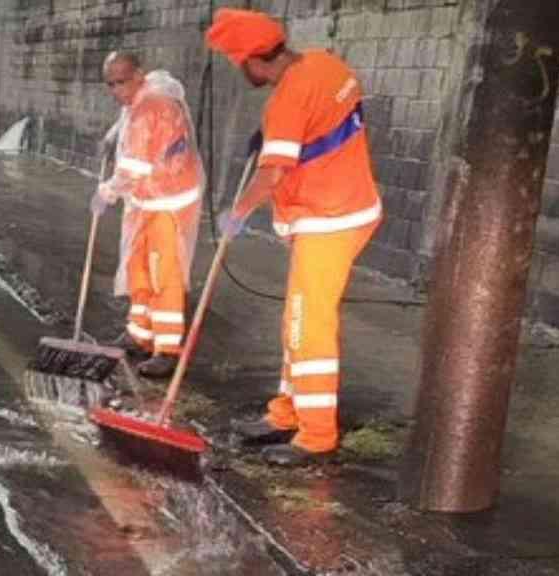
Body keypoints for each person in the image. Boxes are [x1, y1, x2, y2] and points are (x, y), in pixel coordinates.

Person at [205, 9, 383, 466]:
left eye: (235, 62)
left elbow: (272, 174)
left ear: (252, 59)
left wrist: (237, 213)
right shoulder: (327, 64)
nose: (238, 70)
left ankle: (317, 435)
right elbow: (320, 121)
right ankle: (285, 412)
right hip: (348, 206)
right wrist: (269, 136)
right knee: (296, 323)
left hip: (329, 218)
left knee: (309, 326)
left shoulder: (288, 99)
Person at [92, 52, 204, 379]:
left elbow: (133, 170)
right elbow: (128, 125)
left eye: (122, 81)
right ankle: (139, 333)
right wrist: (112, 136)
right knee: (138, 267)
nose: (116, 90)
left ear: (139, 75)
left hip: (166, 201)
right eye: (110, 84)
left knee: (162, 272)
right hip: (148, 199)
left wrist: (106, 192)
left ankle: (167, 348)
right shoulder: (146, 98)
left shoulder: (149, 108)